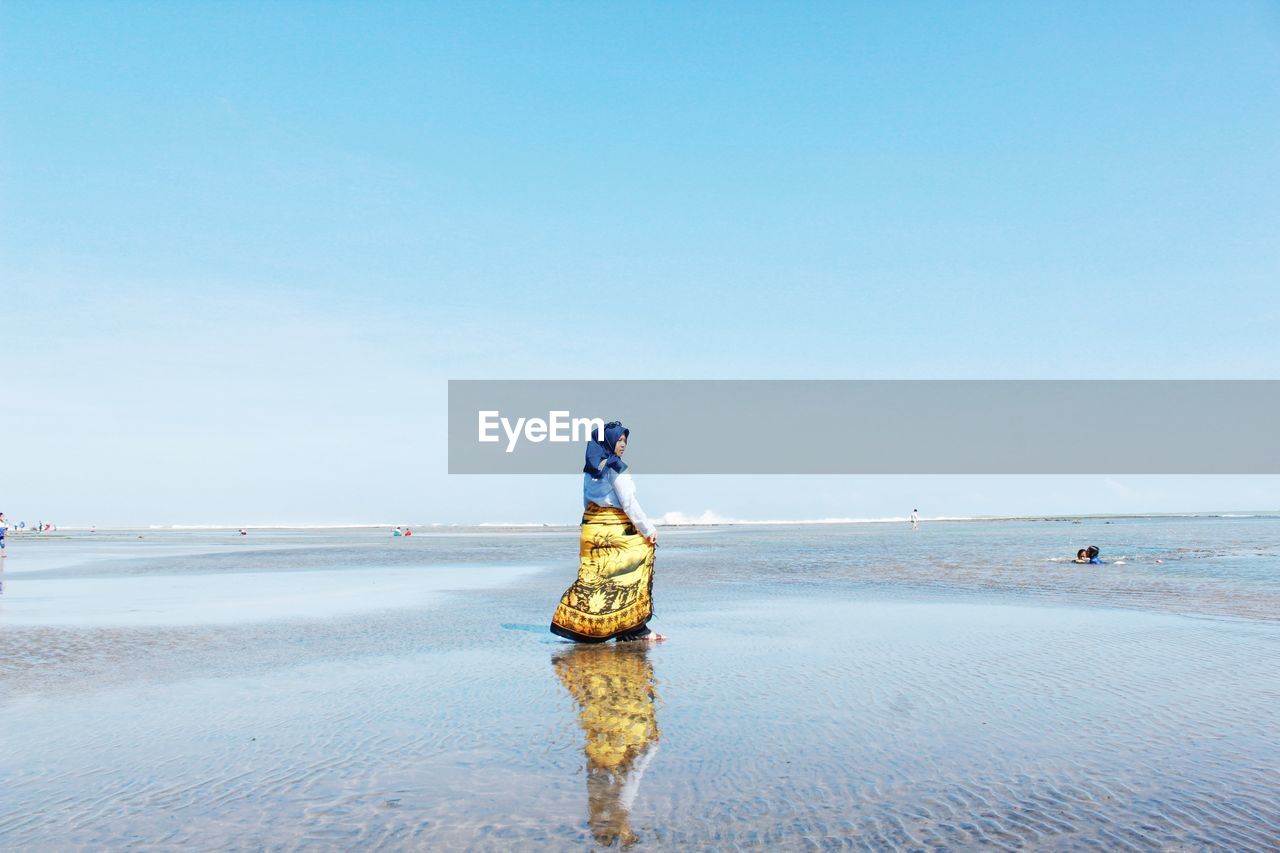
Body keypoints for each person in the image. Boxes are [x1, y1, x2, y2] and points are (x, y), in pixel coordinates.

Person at [551, 421, 663, 643]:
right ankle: (634, 629)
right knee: (633, 568)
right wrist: (648, 529)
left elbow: (586, 501)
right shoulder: (615, 468)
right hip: (613, 529)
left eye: (624, 441)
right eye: (619, 441)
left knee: (596, 579)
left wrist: (592, 526)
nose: (622, 445)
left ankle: (591, 626)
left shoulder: (591, 469)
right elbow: (629, 503)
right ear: (608, 442)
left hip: (592, 529)